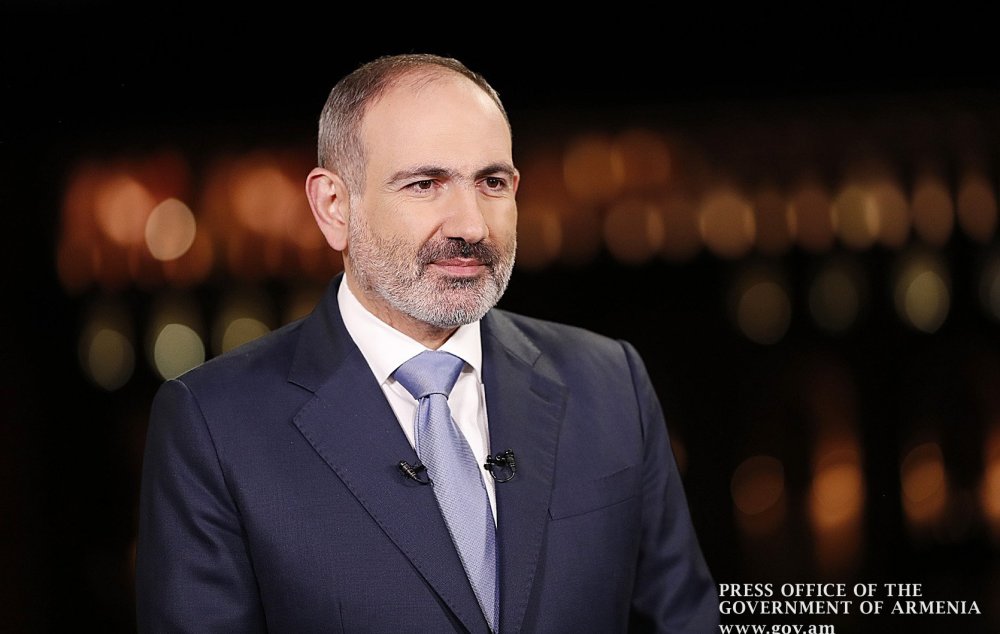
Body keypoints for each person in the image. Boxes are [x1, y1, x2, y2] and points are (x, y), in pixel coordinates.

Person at [135, 53, 719, 633]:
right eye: (425, 184)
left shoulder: (611, 381)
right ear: (334, 207)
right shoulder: (213, 424)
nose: (471, 225)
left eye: (492, 183)